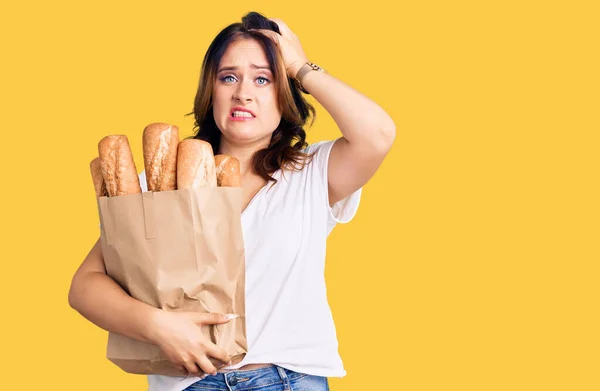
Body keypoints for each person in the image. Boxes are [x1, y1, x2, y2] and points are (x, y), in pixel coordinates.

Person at [69, 11, 395, 391]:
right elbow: (85, 286)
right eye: (228, 77)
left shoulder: (311, 173)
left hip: (288, 379)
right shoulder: (162, 181)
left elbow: (378, 134)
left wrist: (299, 66)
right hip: (190, 383)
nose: (243, 92)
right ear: (212, 91)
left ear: (283, 93)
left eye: (263, 78)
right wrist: (158, 326)